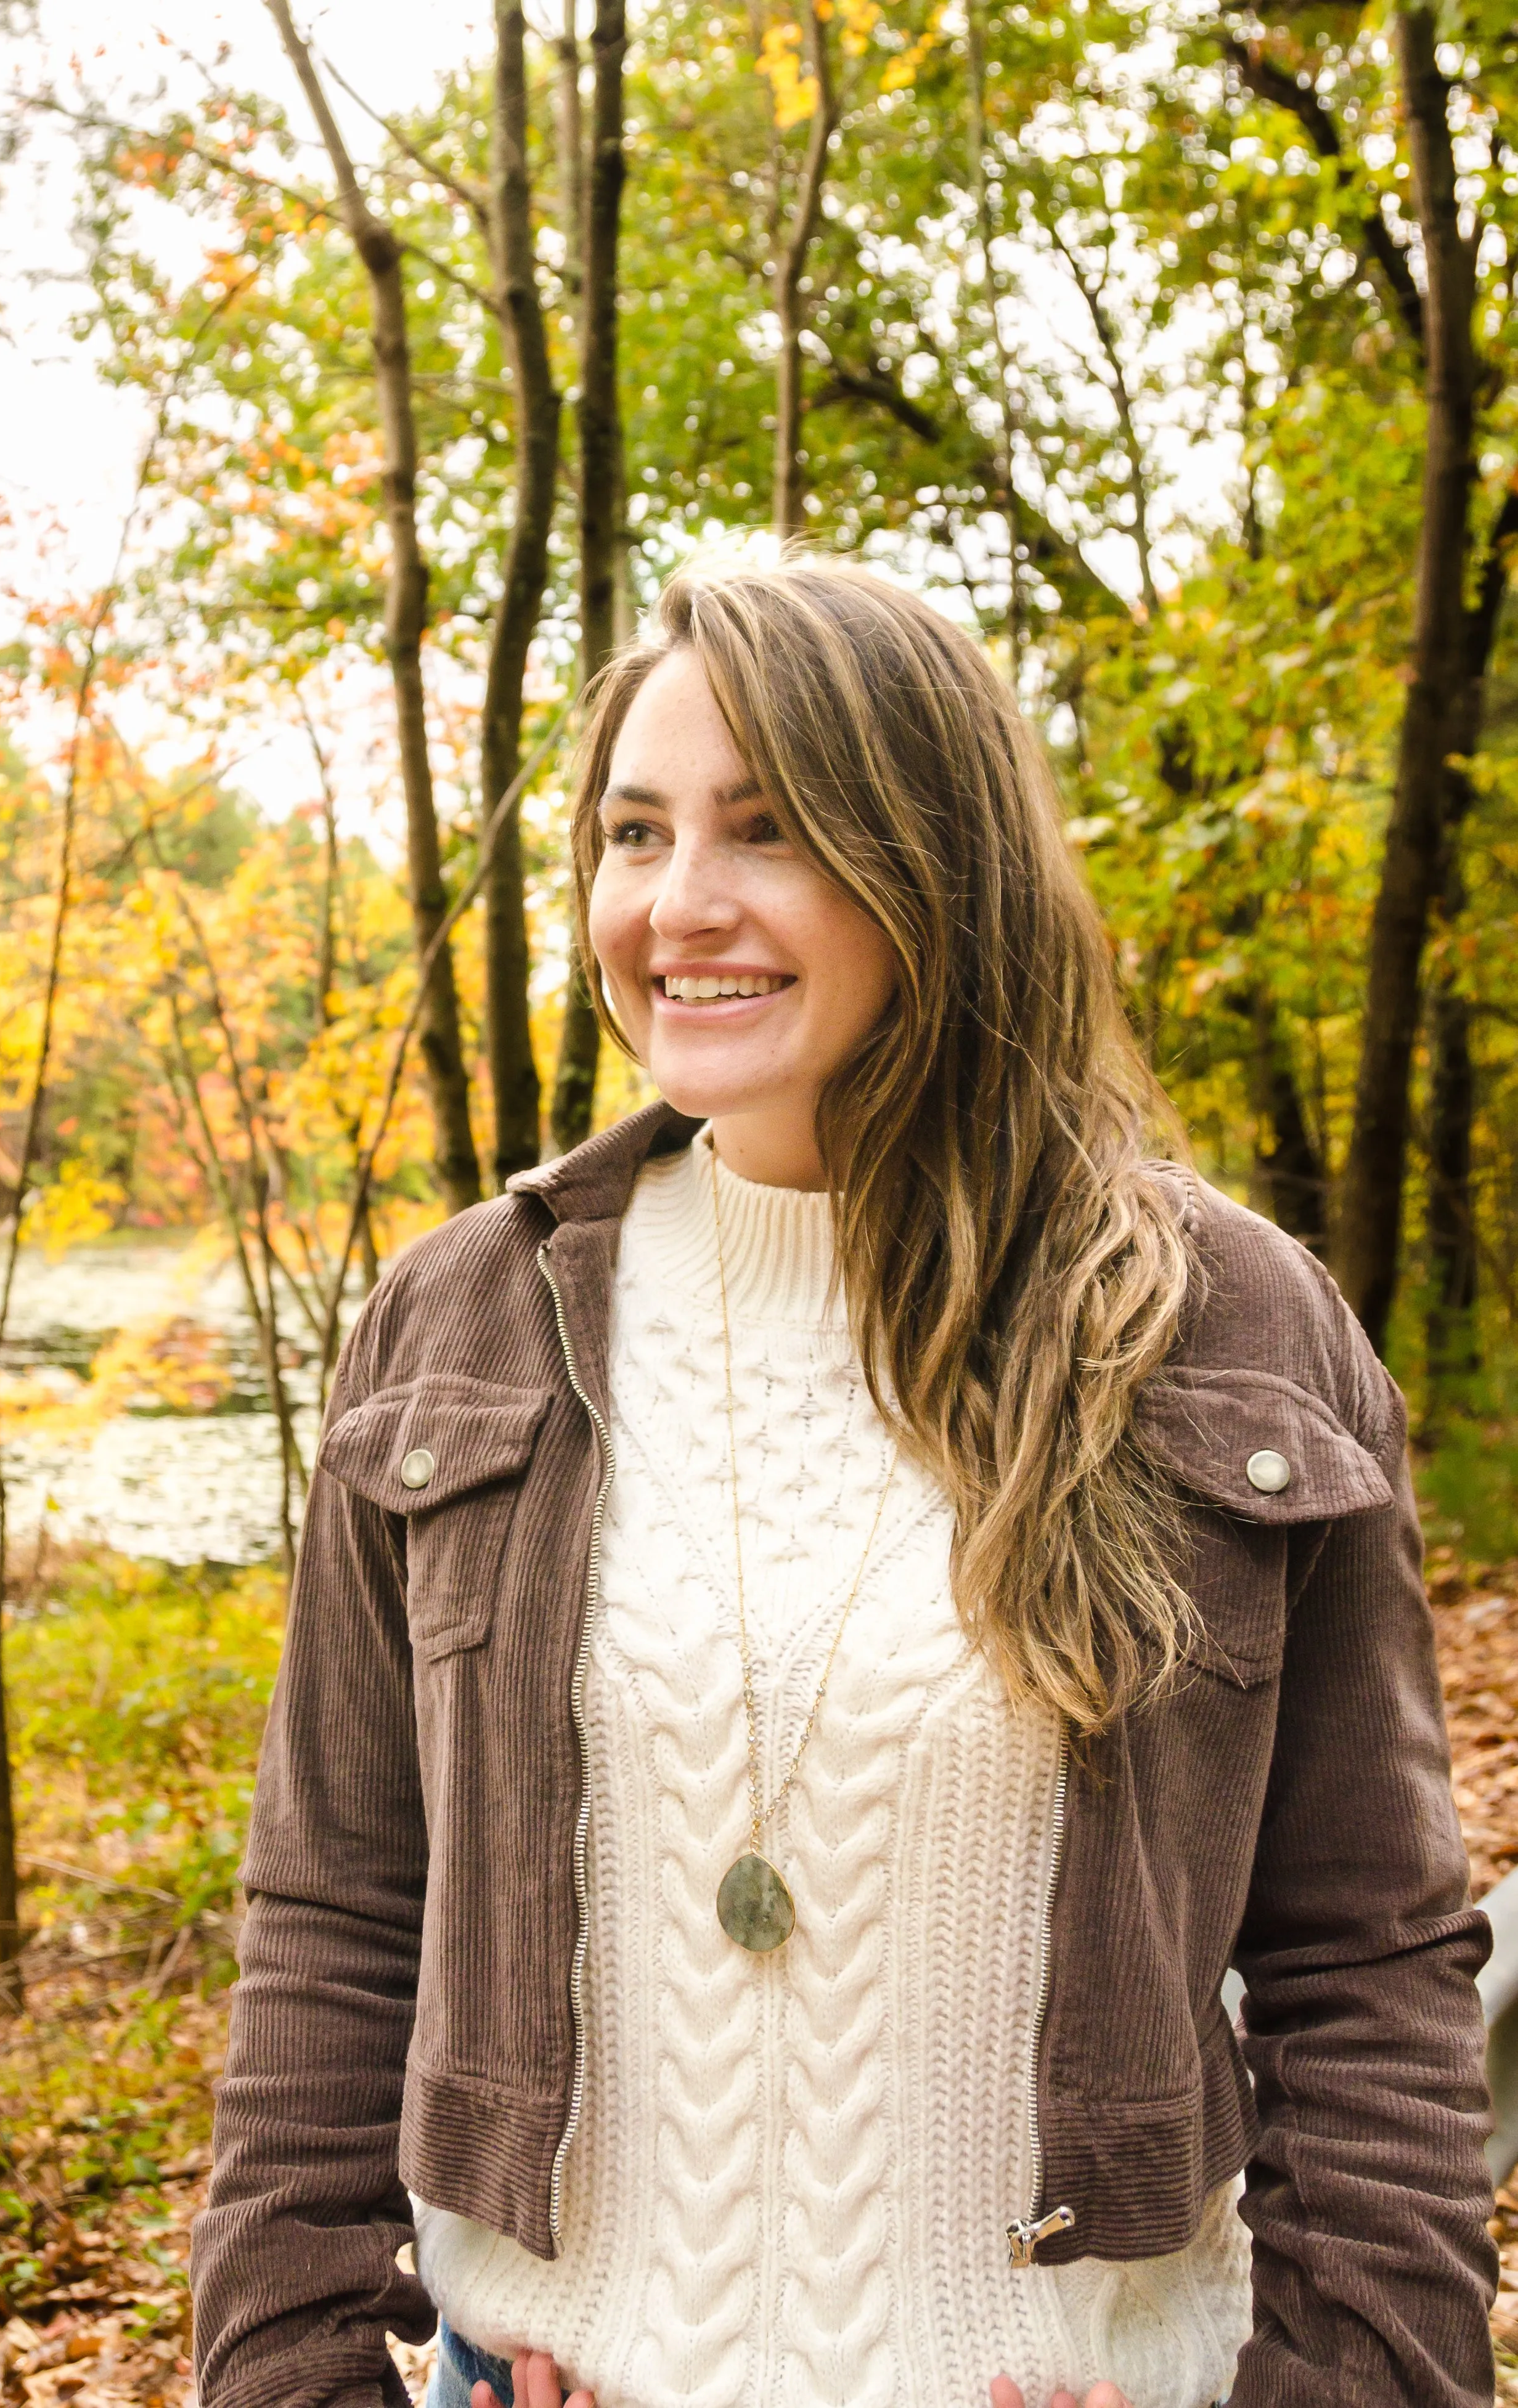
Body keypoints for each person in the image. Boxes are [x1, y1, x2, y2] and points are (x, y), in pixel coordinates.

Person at [190, 559, 1497, 2408]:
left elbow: (1369, 1972)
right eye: (633, 833)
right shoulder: (461, 1325)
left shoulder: (1225, 1329)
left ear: (931, 862)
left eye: (769, 830)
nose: (678, 904)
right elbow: (331, 1924)